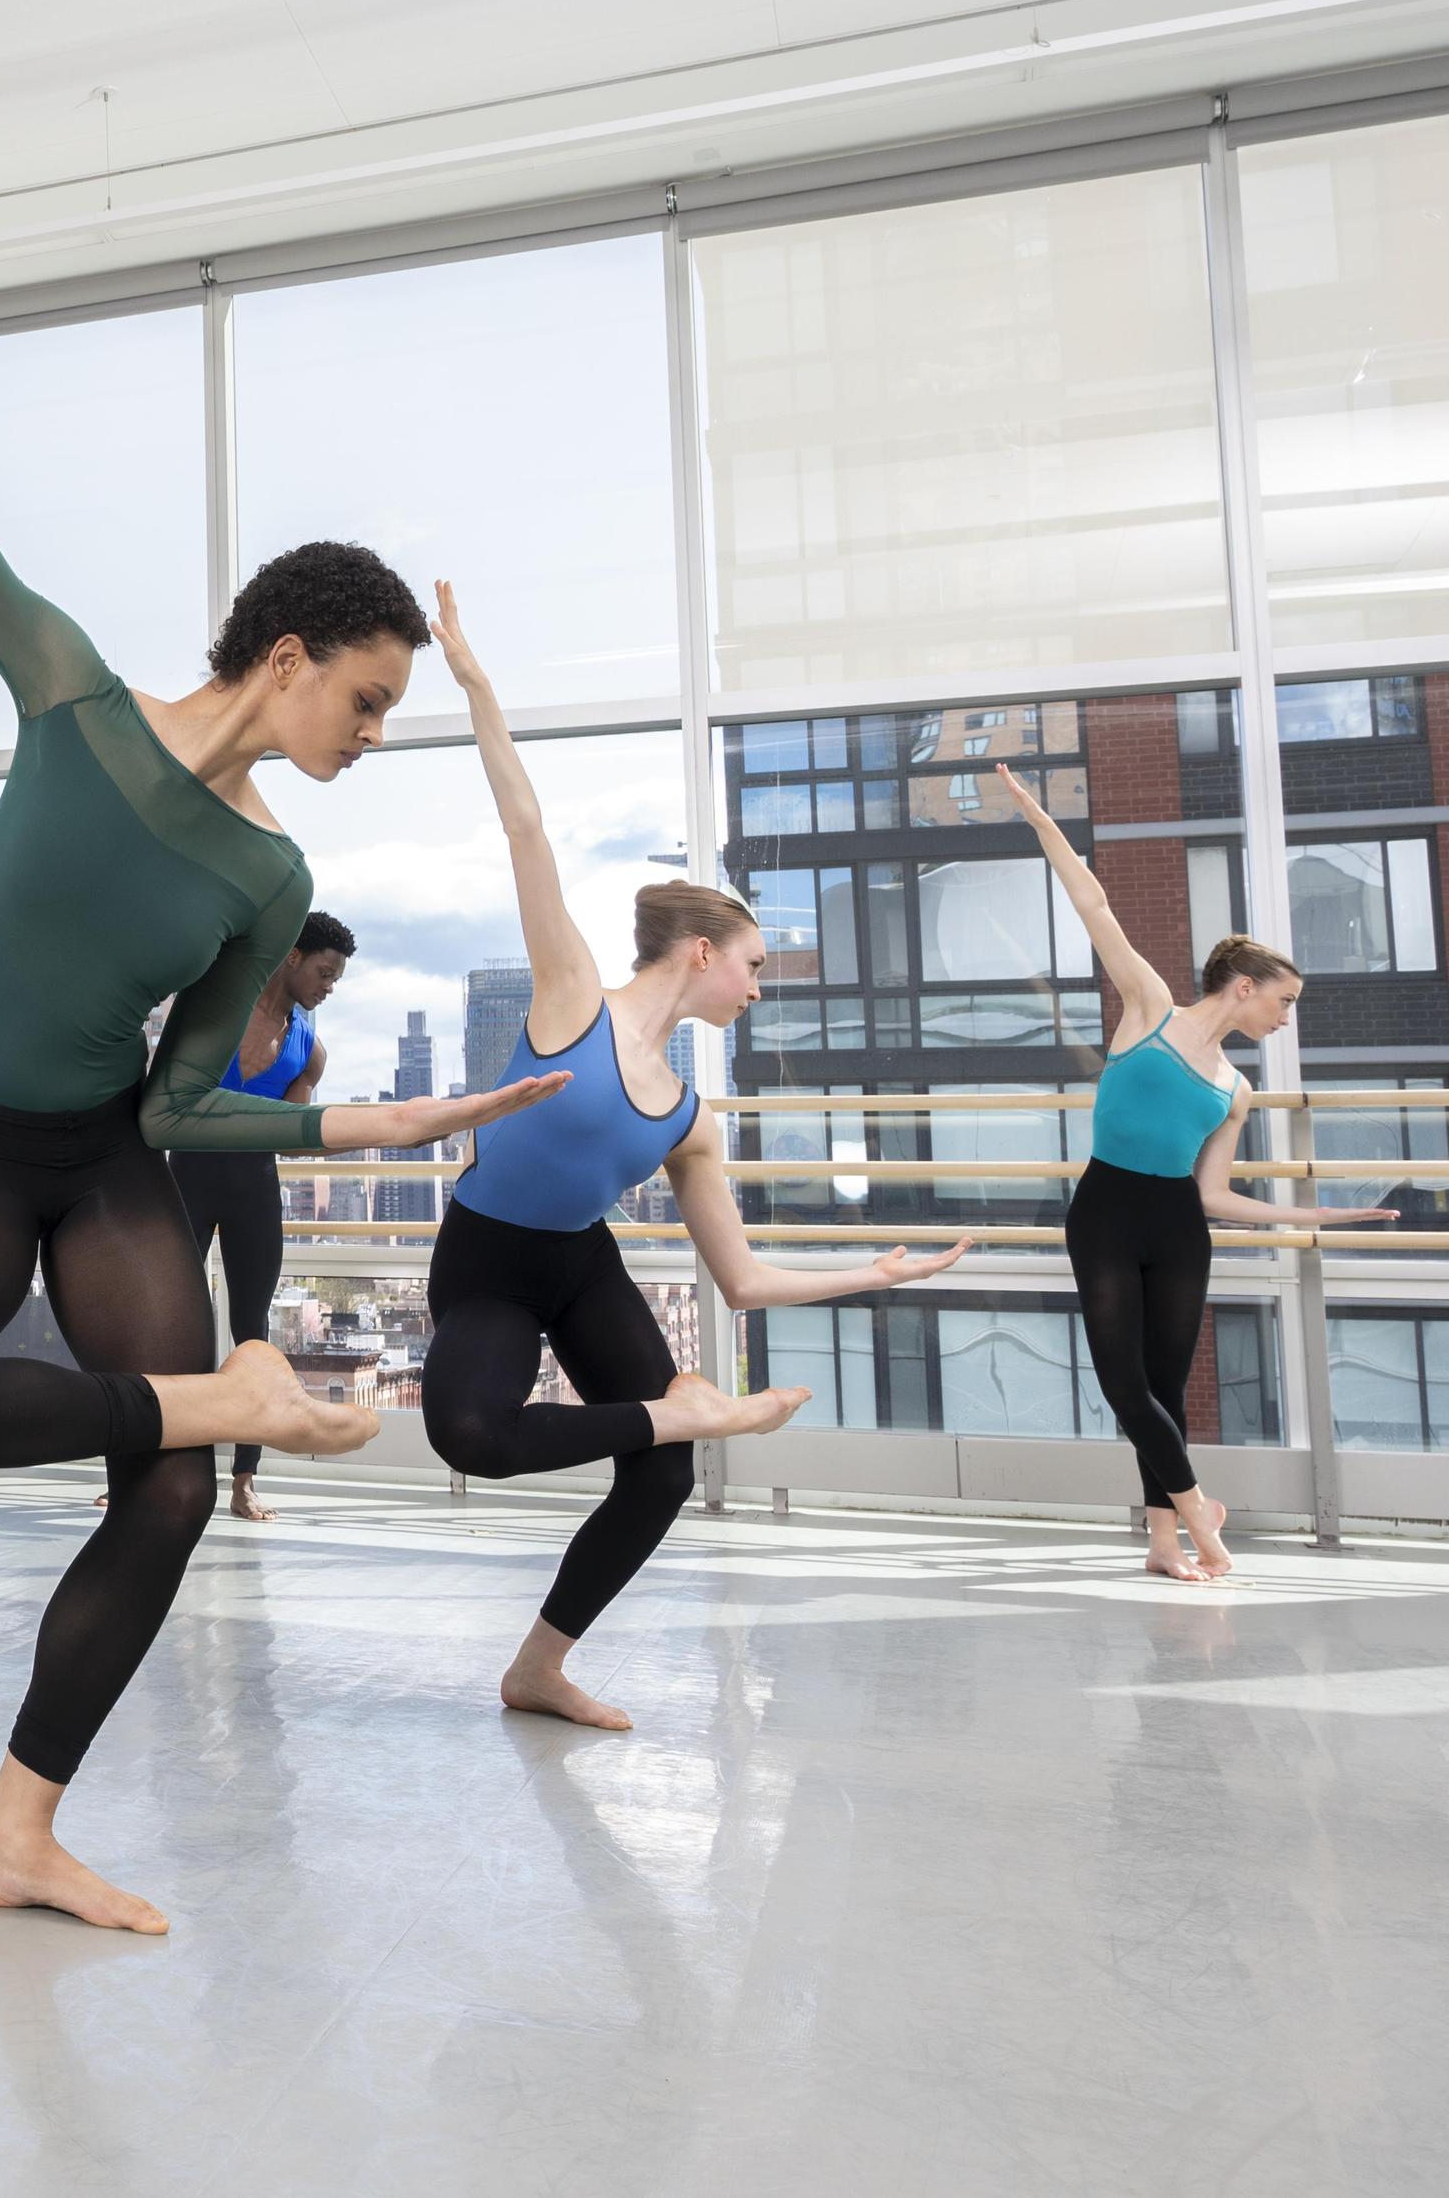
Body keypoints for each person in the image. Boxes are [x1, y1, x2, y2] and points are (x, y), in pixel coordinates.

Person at [0, 191, 562, 1935]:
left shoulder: (272, 878)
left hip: (107, 1161)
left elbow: (185, 1100)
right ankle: (219, 1400)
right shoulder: (72, 703)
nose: (375, 733)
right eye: (371, 701)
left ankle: (17, 1831)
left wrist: (369, 1116)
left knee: (169, 1496)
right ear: (288, 660)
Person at [416, 586, 975, 1728]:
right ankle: (682, 1414)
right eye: (755, 967)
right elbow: (527, 828)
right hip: (487, 1262)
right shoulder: (574, 1001)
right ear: (705, 951)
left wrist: (876, 1273)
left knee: (660, 1470)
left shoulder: (691, 1117)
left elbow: (744, 1281)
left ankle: (539, 1666)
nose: (759, 989)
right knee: (472, 1434)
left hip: (580, 1263)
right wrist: (476, 685)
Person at [996, 763, 1388, 1581]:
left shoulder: (1235, 1090)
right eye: (1283, 1002)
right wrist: (1038, 818)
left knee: (1166, 1391)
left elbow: (1214, 1194)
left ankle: (1163, 1543)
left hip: (1179, 1228)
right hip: (1104, 1212)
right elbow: (1093, 904)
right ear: (1244, 988)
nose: (1285, 1017)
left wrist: (1319, 1221)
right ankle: (1204, 1522)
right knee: (1125, 1385)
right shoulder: (1149, 1007)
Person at [170, 909, 350, 1521]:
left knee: (253, 1335)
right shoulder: (215, 1006)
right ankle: (151, 1469)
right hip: (185, 1178)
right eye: (325, 972)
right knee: (170, 1326)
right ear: (293, 956)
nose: (329, 987)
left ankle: (243, 1480)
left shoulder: (309, 1049)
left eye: (336, 980)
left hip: (252, 1185)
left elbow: (294, 1133)